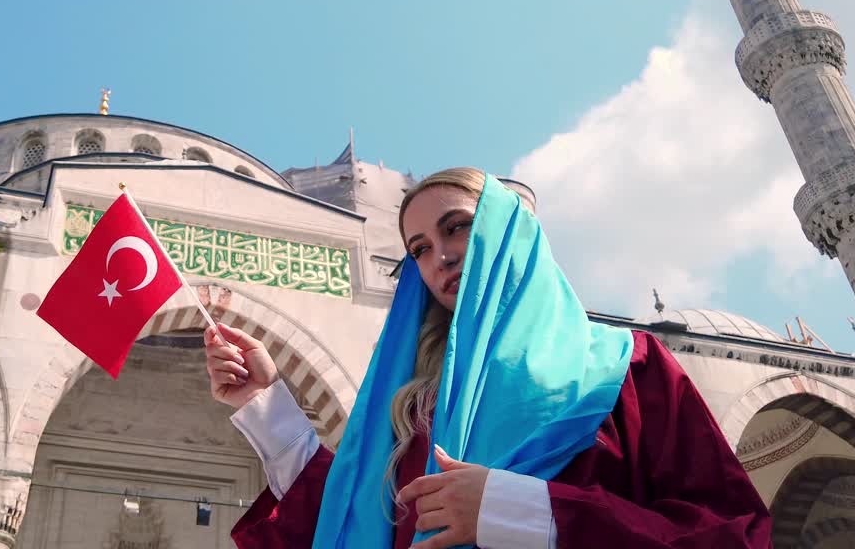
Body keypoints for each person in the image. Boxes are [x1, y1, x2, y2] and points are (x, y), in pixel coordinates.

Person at [204, 168, 772, 549]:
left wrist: (524, 512)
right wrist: (266, 407)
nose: (442, 257)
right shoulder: (420, 403)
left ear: (509, 235)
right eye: (419, 249)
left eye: (458, 228)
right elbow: (353, 522)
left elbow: (733, 534)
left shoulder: (623, 372)